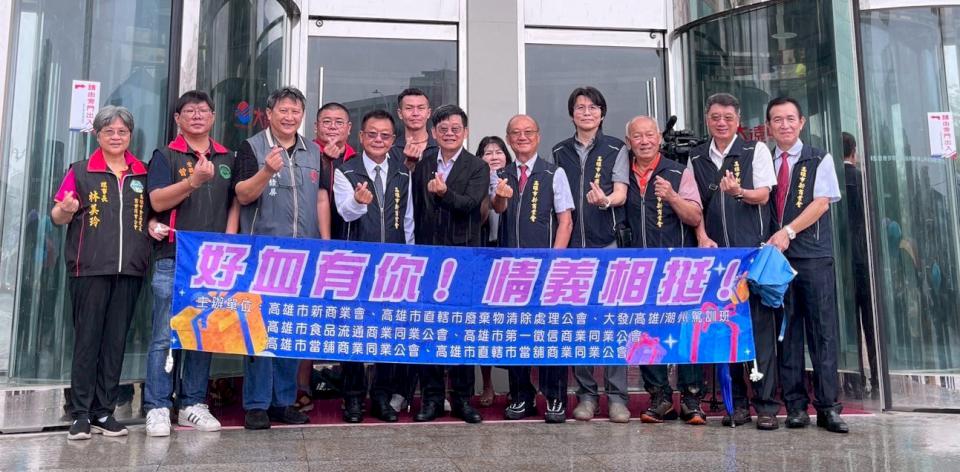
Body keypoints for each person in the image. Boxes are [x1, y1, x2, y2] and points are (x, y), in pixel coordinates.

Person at [52, 106, 164, 440]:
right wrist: (66, 209)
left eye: (122, 131)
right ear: (98, 135)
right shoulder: (80, 170)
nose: (116, 137)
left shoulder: (143, 173)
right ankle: (80, 414)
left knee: (115, 341)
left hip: (130, 269)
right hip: (89, 268)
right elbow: (58, 215)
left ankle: (104, 411)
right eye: (109, 131)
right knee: (88, 341)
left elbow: (152, 214)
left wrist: (153, 225)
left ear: (130, 135)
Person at [233, 86, 330, 429]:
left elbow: (321, 198)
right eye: (283, 111)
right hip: (263, 255)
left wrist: (325, 245)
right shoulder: (252, 147)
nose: (289, 117)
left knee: (290, 327)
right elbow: (242, 195)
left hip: (302, 255)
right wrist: (266, 171)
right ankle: (257, 404)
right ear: (270, 113)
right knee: (258, 328)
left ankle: (283, 401)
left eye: (295, 111)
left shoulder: (313, 151)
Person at [687, 93, 780, 429]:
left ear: (737, 120)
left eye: (728, 117)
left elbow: (764, 195)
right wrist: (701, 235)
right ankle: (736, 405)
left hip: (752, 256)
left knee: (760, 334)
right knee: (726, 332)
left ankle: (766, 406)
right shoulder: (697, 157)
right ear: (707, 120)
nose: (721, 123)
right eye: (715, 117)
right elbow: (694, 205)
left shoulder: (755, 151)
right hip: (718, 263)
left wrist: (739, 191)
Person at [143, 90, 231, 436]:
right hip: (173, 257)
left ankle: (192, 403)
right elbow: (156, 201)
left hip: (214, 263)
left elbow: (236, 204)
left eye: (203, 110)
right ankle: (157, 405)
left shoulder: (226, 156)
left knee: (202, 332)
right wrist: (193, 181)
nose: (197, 116)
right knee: (163, 334)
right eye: (190, 111)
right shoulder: (166, 155)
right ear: (178, 119)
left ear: (213, 117)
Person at [765, 97, 848, 434]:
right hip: (777, 261)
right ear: (768, 127)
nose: (784, 125)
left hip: (813, 257)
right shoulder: (763, 160)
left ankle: (828, 407)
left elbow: (822, 203)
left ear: (801, 122)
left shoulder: (818, 158)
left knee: (822, 332)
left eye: (790, 119)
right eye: (777, 120)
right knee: (787, 333)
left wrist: (788, 231)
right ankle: (796, 406)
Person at [552, 87, 631, 423]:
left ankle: (617, 398)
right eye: (580, 107)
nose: (587, 112)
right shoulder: (559, 151)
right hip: (573, 251)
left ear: (602, 113)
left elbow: (622, 192)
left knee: (612, 324)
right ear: (572, 114)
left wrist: (605, 200)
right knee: (579, 325)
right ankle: (586, 395)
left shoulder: (616, 148)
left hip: (608, 246)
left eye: (593, 107)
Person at [621, 116, 705, 425]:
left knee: (686, 330)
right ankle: (660, 398)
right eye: (637, 136)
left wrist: (671, 196)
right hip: (639, 269)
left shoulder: (679, 172)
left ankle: (692, 399)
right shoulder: (622, 176)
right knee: (646, 331)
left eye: (649, 135)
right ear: (628, 142)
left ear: (659, 138)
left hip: (677, 268)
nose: (644, 141)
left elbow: (695, 216)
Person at [333, 109, 414, 423]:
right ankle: (353, 398)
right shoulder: (346, 171)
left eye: (385, 135)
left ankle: (381, 396)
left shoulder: (402, 172)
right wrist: (358, 202)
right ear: (361, 136)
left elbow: (408, 220)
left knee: (388, 331)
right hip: (357, 265)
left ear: (393, 140)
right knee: (354, 331)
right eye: (372, 134)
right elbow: (345, 212)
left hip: (393, 266)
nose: (378, 140)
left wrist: (409, 258)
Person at [411, 105, 489, 424]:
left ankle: (461, 399)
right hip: (429, 258)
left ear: (465, 132)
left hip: (463, 258)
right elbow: (416, 210)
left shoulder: (478, 166)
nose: (449, 133)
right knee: (429, 328)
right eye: (443, 129)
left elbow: (470, 205)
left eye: (456, 128)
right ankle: (431, 398)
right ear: (433, 133)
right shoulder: (424, 165)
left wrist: (444, 193)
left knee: (461, 328)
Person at [494, 114, 574, 423]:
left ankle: (555, 397)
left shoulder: (554, 173)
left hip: (546, 269)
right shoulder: (501, 174)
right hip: (511, 271)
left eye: (528, 132)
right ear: (509, 139)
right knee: (515, 333)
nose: (522, 137)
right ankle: (521, 396)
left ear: (538, 136)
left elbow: (565, 221)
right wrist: (500, 196)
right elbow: (497, 210)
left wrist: (554, 262)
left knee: (549, 331)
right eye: (515, 133)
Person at [291, 102, 358, 412]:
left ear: (349, 129)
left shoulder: (359, 159)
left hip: (352, 247)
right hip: (313, 247)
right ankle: (301, 385)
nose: (332, 127)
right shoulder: (304, 155)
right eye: (326, 122)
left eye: (339, 122)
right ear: (315, 127)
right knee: (307, 317)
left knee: (350, 319)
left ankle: (351, 389)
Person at [475, 135, 513, 406]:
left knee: (512, 322)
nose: (494, 156)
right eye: (487, 153)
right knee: (485, 322)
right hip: (485, 254)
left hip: (511, 255)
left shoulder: (516, 179)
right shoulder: (476, 181)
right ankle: (487, 383)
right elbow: (478, 219)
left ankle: (518, 386)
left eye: (498, 151)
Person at [842, 132, 879, 399]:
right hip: (864, 256)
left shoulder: (833, 179)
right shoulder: (862, 179)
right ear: (853, 151)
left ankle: (853, 379)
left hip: (842, 257)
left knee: (848, 321)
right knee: (870, 320)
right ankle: (877, 377)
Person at [390, 88, 437, 172]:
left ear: (428, 113)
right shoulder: (390, 150)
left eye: (421, 108)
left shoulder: (440, 147)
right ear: (400, 114)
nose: (415, 113)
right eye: (409, 108)